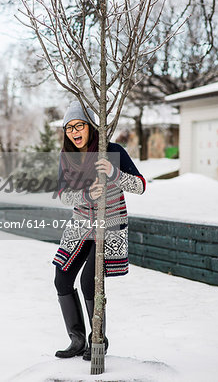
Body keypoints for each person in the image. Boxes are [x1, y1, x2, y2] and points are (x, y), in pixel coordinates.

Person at [52, 101, 146, 360]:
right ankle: (77, 339)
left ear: (90, 126)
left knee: (89, 281)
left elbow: (140, 186)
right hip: (80, 225)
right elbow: (63, 197)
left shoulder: (112, 151)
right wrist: (84, 194)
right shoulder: (67, 157)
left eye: (79, 125)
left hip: (109, 225)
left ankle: (98, 340)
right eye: (69, 127)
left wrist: (115, 174)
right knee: (61, 278)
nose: (74, 131)